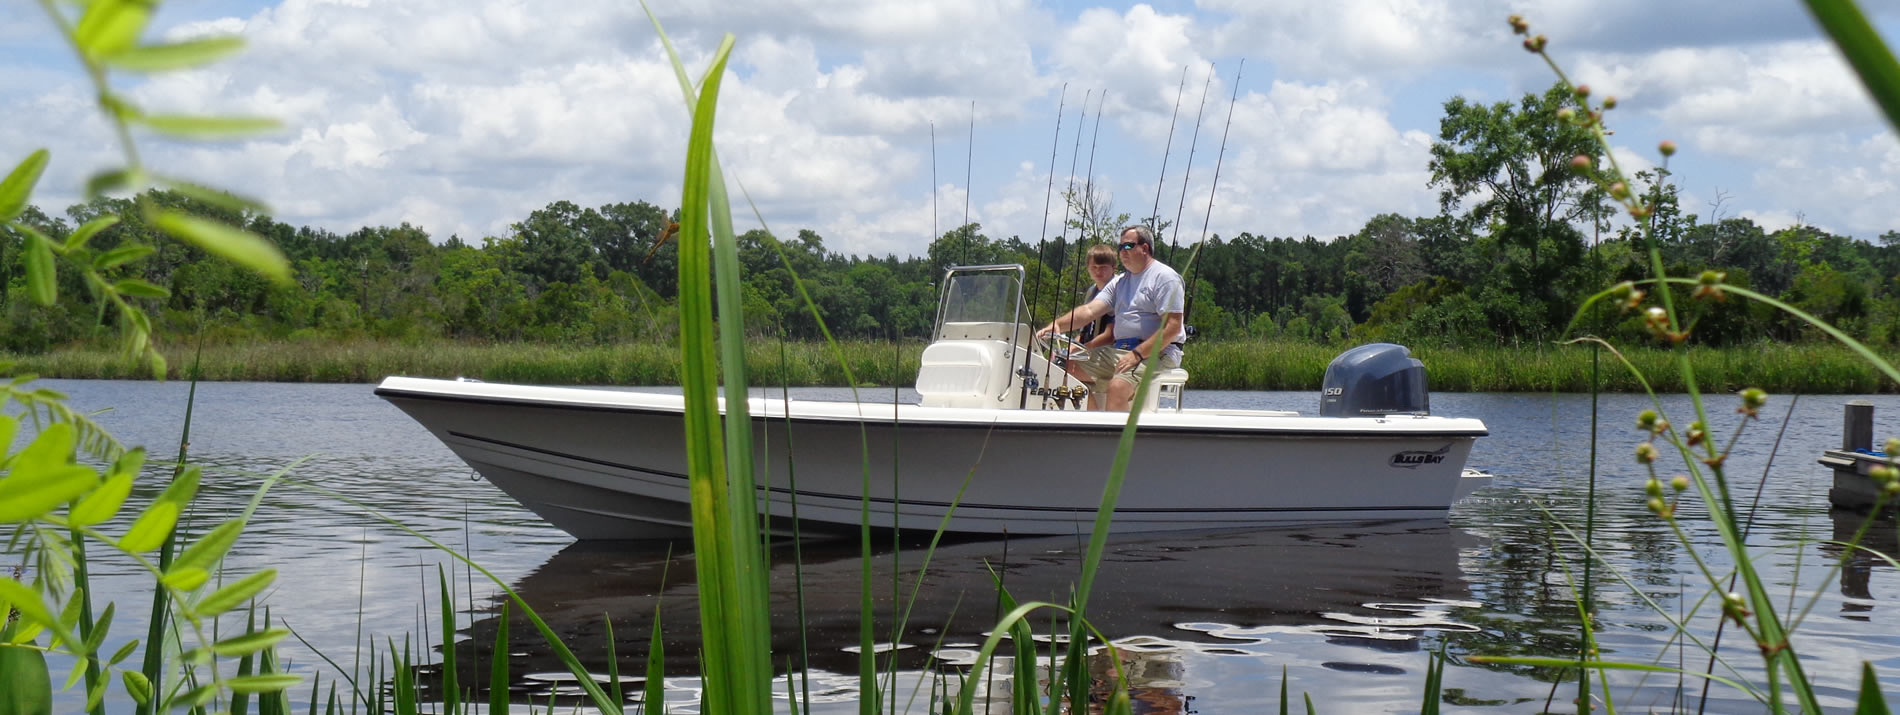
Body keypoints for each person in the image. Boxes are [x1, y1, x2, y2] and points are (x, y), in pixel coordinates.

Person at [1040, 225, 1185, 412]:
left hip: (1158, 352)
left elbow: (1172, 328)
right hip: (1120, 350)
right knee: (1062, 367)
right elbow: (1090, 311)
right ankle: (1091, 426)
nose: (1121, 252)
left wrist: (1137, 354)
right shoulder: (1120, 282)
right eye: (1120, 247)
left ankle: (1117, 439)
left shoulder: (1164, 277)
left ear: (1145, 248)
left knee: (1117, 386)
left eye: (1128, 246)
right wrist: (1057, 325)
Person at [1061, 243, 1120, 409]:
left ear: (1113, 268)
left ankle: (1092, 415)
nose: (1098, 272)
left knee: (1064, 367)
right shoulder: (1092, 291)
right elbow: (1085, 330)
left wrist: (1082, 350)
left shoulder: (1117, 291)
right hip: (1091, 351)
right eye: (1094, 267)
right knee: (1056, 359)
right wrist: (1072, 346)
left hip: (1110, 352)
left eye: (1103, 267)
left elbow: (1110, 335)